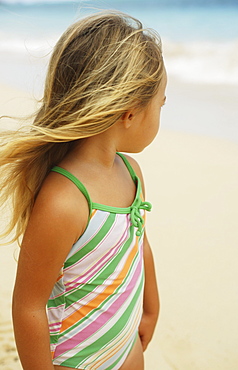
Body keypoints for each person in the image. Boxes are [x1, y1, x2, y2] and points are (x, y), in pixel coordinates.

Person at [0, 10, 167, 370]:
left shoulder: (131, 172)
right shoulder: (65, 200)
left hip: (124, 348)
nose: (161, 113)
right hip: (77, 360)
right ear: (129, 112)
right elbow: (28, 306)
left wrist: (151, 308)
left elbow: (140, 244)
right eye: (160, 103)